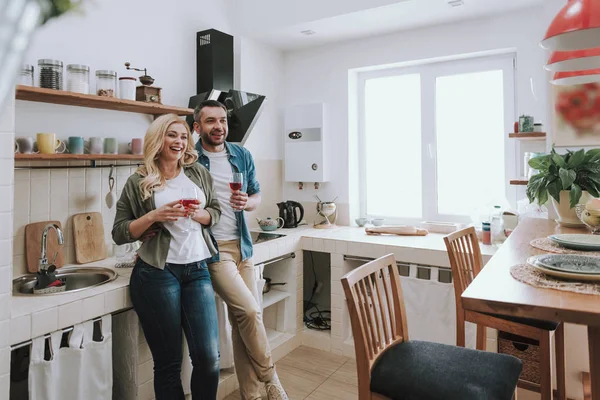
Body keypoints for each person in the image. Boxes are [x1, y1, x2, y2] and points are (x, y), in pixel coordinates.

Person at [112, 114, 221, 400]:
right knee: (169, 363)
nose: (179, 142)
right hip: (157, 274)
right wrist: (153, 216)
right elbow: (120, 232)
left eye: (184, 136)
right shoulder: (138, 180)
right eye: (172, 135)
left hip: (197, 269)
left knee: (209, 358)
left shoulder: (198, 173)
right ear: (158, 140)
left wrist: (199, 214)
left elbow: (216, 213)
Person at [193, 100, 289, 400]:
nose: (218, 126)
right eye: (210, 121)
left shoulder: (241, 154)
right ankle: (271, 378)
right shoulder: (190, 159)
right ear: (198, 127)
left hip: (243, 247)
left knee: (243, 319)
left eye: (222, 120)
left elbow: (256, 194)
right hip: (213, 249)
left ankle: (252, 395)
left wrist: (246, 202)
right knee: (248, 310)